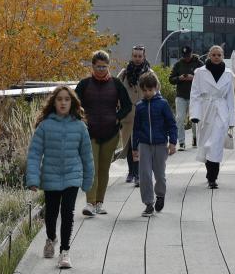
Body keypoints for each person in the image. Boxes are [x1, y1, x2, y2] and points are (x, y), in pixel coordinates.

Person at [26, 85, 95, 270]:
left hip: (73, 175)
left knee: (67, 213)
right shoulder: (45, 126)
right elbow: (34, 154)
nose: (63, 102)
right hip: (50, 175)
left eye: (67, 99)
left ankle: (65, 252)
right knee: (51, 214)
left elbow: (87, 156)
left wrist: (88, 180)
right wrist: (33, 179)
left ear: (72, 102)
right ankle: (51, 238)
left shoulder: (80, 126)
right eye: (59, 99)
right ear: (54, 102)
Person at [74, 50, 133, 217]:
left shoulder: (116, 84)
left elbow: (127, 105)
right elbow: (74, 104)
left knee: (104, 169)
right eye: (98, 67)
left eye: (104, 67)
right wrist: (81, 120)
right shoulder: (84, 84)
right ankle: (89, 203)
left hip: (111, 133)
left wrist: (117, 118)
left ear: (108, 66)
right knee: (91, 168)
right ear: (92, 66)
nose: (101, 70)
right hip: (89, 132)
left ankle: (100, 203)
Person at [189, 45, 235, 189]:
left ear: (223, 56)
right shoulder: (200, 73)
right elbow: (195, 94)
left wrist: (231, 119)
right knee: (205, 144)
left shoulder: (229, 74)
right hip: (205, 110)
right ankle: (209, 171)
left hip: (221, 111)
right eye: (214, 55)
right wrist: (195, 114)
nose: (216, 57)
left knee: (215, 145)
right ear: (209, 56)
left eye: (219, 55)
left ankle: (212, 177)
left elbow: (230, 98)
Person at [132, 71, 177, 217]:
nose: (147, 93)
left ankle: (160, 195)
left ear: (156, 87)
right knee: (144, 175)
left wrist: (173, 142)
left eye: (150, 90)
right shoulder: (139, 106)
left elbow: (171, 124)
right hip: (144, 144)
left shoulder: (163, 104)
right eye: (144, 90)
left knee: (159, 174)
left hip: (160, 144)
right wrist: (134, 147)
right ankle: (148, 203)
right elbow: (136, 128)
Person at [117, 45, 151, 185]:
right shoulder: (124, 73)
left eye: (140, 56)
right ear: (132, 56)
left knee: (140, 144)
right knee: (129, 145)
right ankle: (131, 171)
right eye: (135, 56)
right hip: (128, 114)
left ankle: (138, 173)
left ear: (144, 56)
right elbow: (115, 89)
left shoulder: (149, 72)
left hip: (143, 113)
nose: (137, 59)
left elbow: (157, 89)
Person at [169, 45, 203, 149]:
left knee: (195, 119)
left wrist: (194, 77)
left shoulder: (199, 63)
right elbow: (171, 79)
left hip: (195, 96)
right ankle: (182, 142)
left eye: (188, 55)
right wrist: (179, 78)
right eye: (184, 56)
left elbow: (206, 78)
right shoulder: (178, 64)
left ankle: (195, 138)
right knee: (179, 118)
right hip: (181, 96)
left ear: (192, 53)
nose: (186, 58)